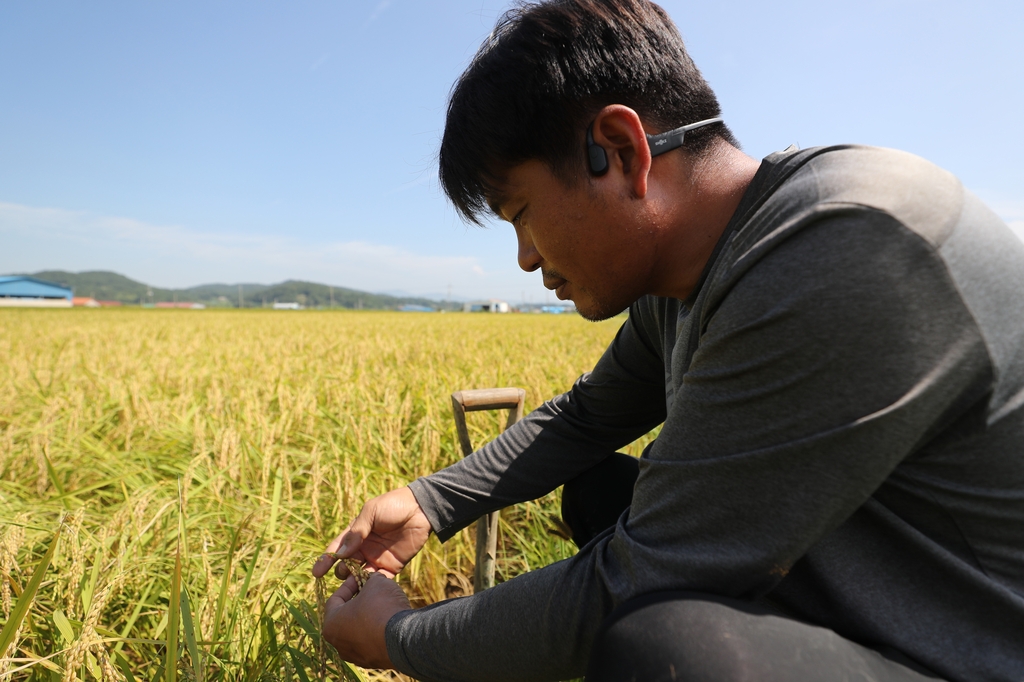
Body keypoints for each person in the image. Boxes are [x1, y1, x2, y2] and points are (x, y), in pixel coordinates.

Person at [311, 0, 1024, 680]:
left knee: (667, 653)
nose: (526, 258)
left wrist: (398, 637)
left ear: (619, 150)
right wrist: (431, 501)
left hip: (970, 649)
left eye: (521, 212)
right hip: (863, 580)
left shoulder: (845, 245)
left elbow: (633, 581)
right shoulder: (691, 278)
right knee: (596, 489)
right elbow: (590, 414)